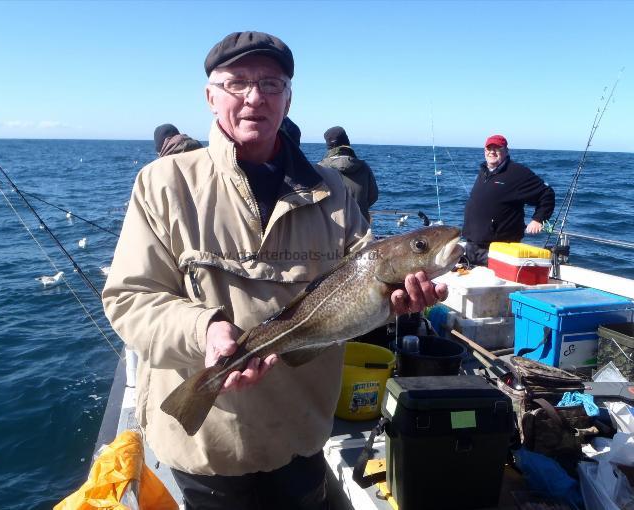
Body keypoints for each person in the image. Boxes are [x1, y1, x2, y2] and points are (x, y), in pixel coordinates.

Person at [102, 31, 447, 510]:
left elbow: (364, 293)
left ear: (288, 98)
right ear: (209, 96)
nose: (253, 97)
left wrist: (396, 307)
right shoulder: (164, 184)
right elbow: (129, 298)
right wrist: (205, 330)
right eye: (236, 83)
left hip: (300, 427)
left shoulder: (334, 192)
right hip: (210, 440)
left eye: (270, 83)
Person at [462, 134, 555, 266]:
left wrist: (538, 219)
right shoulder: (484, 171)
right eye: (489, 148)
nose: (492, 152)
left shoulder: (517, 173)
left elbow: (547, 194)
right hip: (472, 245)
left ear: (506, 150)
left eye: (497, 148)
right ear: (484, 151)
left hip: (499, 249)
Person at [318, 126, 378, 222]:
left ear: (328, 146)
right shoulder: (364, 167)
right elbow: (373, 196)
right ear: (347, 142)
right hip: (360, 228)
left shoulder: (319, 169)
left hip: (330, 229)